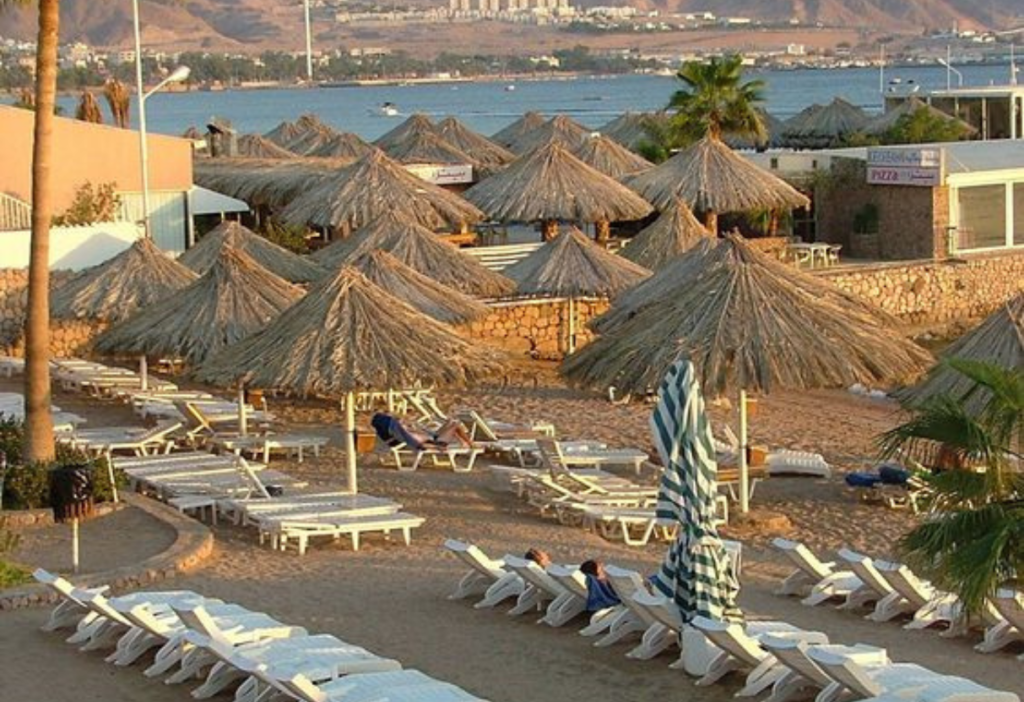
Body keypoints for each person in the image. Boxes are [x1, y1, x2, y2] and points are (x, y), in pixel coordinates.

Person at [371, 412, 472, 451]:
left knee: (452, 421)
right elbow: (420, 445)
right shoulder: (405, 435)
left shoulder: (401, 432)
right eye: (399, 422)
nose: (402, 422)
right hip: (436, 441)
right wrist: (437, 447)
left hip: (434, 435)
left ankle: (463, 442)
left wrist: (412, 427)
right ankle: (470, 444)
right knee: (456, 425)